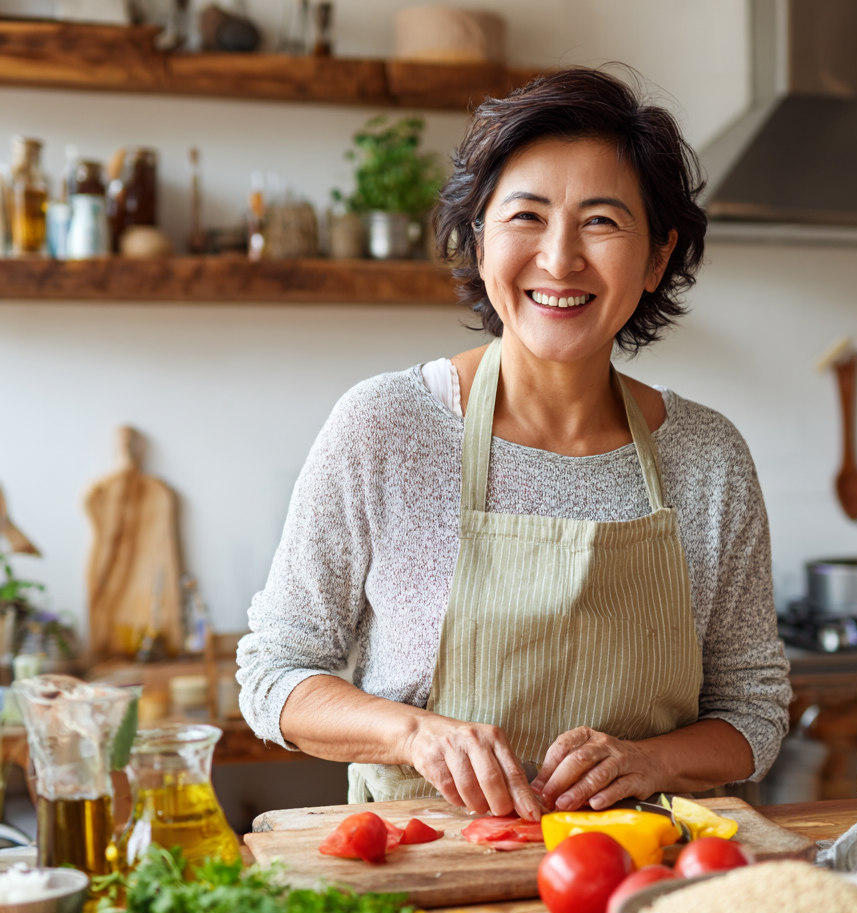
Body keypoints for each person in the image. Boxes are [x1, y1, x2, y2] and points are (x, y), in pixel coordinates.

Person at [237, 67, 790, 822]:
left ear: (657, 259)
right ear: (479, 237)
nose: (560, 260)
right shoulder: (387, 427)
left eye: (601, 222)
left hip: (639, 885)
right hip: (426, 877)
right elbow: (276, 673)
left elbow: (753, 712)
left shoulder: (707, 458)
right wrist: (414, 735)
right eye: (526, 216)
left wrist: (648, 761)